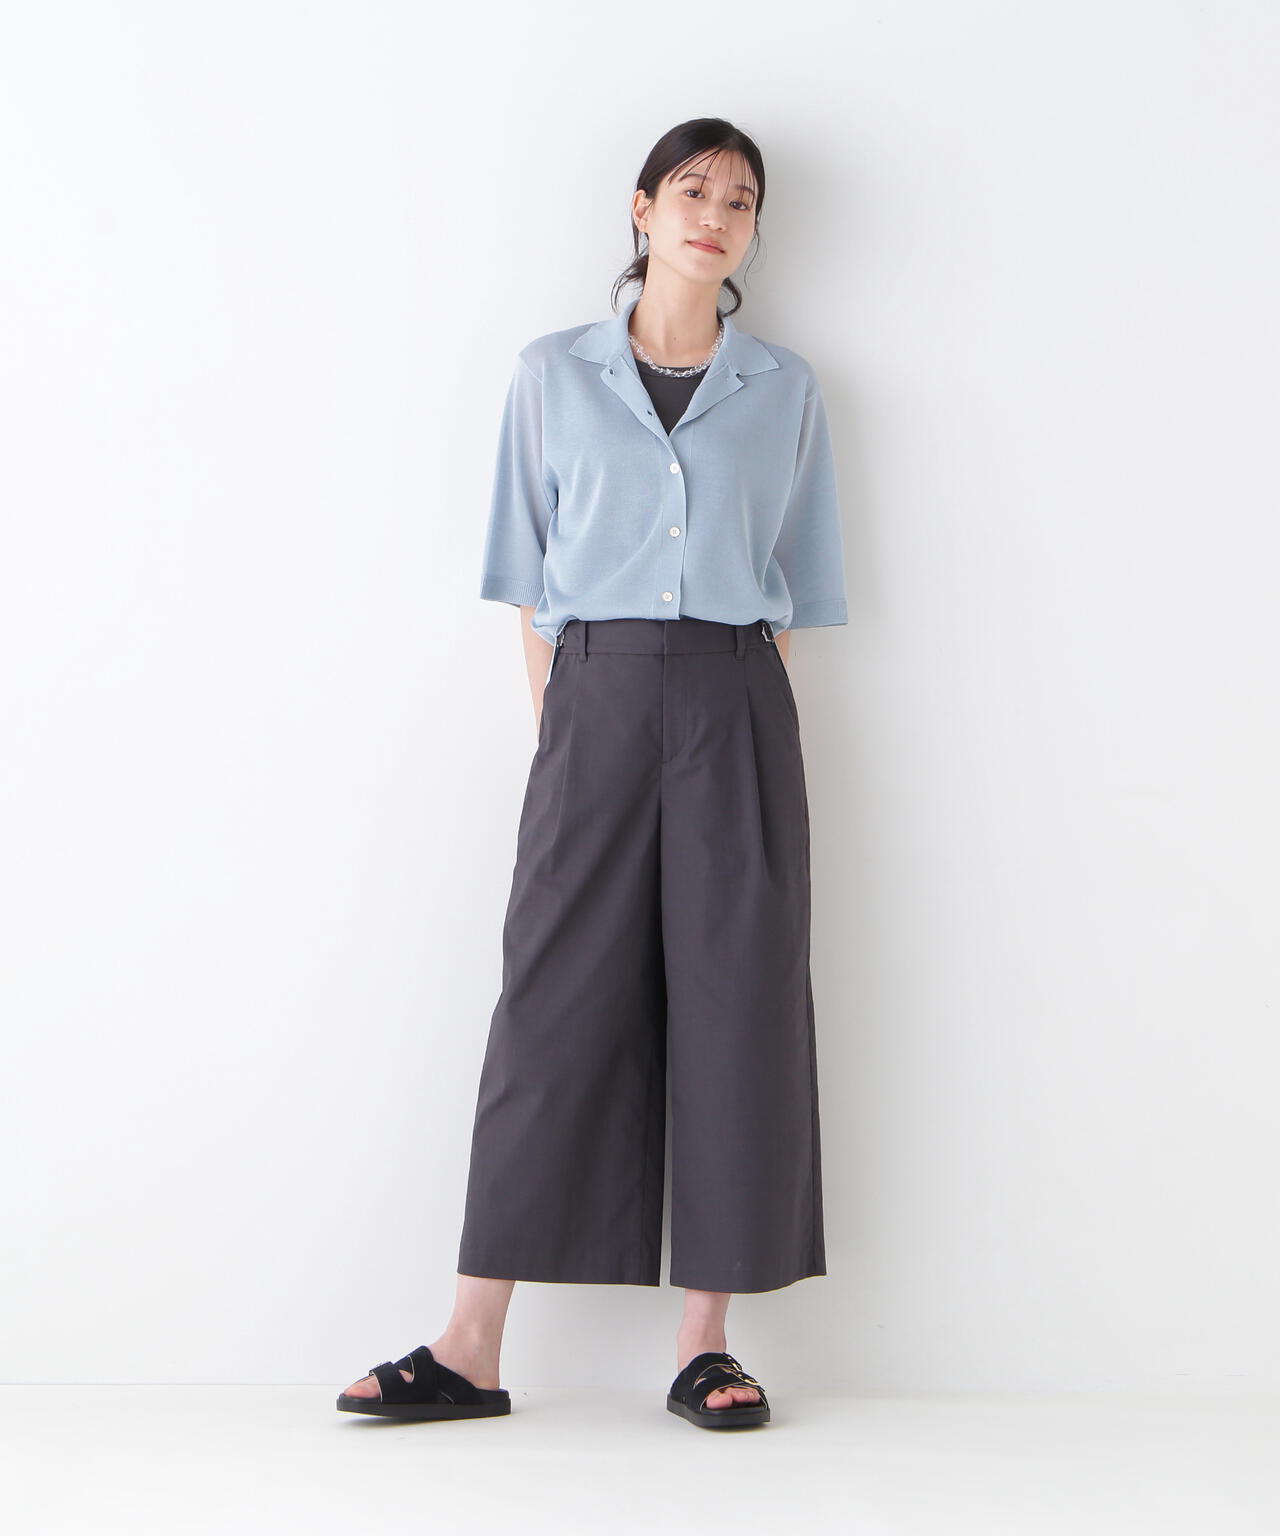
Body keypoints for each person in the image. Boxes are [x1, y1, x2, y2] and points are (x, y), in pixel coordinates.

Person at [337, 117, 848, 1431]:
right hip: (593, 697)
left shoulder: (786, 389)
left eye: (741, 200)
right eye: (694, 190)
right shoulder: (551, 375)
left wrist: (732, 715)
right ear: (641, 208)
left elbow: (792, 588)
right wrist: (569, 730)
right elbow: (529, 584)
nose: (715, 215)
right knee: (551, 1003)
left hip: (735, 695)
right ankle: (470, 1345)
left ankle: (706, 1347)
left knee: (739, 1002)